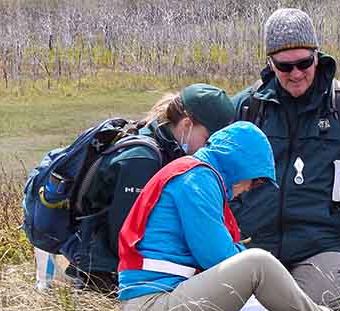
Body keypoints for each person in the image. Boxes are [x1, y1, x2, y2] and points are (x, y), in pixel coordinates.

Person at [117, 121, 340, 311]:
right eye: (257, 178)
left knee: (255, 266)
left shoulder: (193, 173)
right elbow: (218, 258)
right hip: (153, 309)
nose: (252, 187)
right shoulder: (197, 179)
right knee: (257, 263)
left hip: (156, 303)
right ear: (240, 163)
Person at [230, 8, 340, 311]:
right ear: (270, 63)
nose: (296, 73)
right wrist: (236, 214)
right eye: (285, 66)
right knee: (229, 308)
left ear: (317, 55)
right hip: (254, 241)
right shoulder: (247, 107)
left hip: (321, 245)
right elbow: (212, 167)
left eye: (304, 63)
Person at [66, 84, 234, 293]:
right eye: (209, 140)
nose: (211, 149)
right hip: (103, 277)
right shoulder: (142, 161)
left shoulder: (167, 150)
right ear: (186, 125)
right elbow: (125, 235)